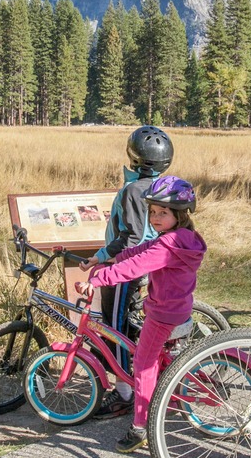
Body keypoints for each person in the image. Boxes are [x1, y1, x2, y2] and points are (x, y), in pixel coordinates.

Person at [81, 176, 206, 453]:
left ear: (180, 214)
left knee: (142, 364)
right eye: (152, 212)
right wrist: (108, 258)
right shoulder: (182, 239)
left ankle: (141, 426)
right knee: (158, 359)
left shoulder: (166, 245)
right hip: (177, 310)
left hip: (162, 316)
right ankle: (167, 395)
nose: (155, 217)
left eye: (163, 212)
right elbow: (139, 252)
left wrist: (99, 279)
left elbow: (136, 268)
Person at [84, 125, 172, 418]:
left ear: (132, 155)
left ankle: (124, 392)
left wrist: (101, 258)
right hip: (148, 263)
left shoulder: (133, 189)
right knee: (129, 322)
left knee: (114, 327)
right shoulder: (163, 185)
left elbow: (131, 237)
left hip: (126, 269)